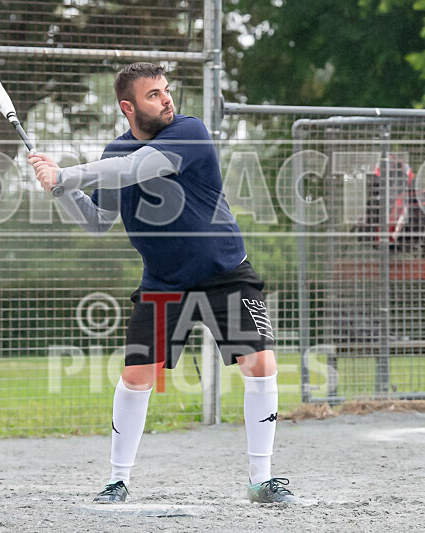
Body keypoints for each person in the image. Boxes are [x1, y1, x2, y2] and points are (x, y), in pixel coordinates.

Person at [29, 62, 299, 505]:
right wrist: (60, 189)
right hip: (164, 281)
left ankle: (262, 480)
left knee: (260, 365)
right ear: (128, 106)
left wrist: (67, 174)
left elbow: (136, 169)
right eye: (154, 94)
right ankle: (117, 480)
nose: (166, 99)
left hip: (225, 272)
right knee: (137, 376)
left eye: (166, 90)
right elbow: (98, 221)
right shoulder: (114, 150)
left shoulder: (189, 132)